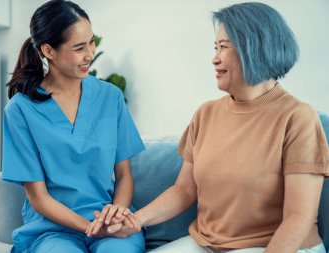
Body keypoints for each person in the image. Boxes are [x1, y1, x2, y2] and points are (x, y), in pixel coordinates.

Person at [95, 2, 329, 253]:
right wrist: (135, 221)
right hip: (207, 243)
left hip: (276, 245)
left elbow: (299, 218)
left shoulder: (298, 118)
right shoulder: (206, 114)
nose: (215, 58)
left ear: (254, 47)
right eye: (216, 47)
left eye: (224, 47)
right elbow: (184, 190)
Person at [2, 0, 145, 252]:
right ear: (49, 50)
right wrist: (89, 228)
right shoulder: (20, 110)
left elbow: (124, 175)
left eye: (91, 42)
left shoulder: (110, 97)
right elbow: (39, 198)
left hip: (110, 223)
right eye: (79, 47)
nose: (90, 54)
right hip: (51, 229)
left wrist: (116, 215)